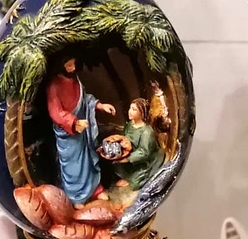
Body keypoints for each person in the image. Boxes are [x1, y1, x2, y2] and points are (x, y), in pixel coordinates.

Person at [46, 57, 115, 207]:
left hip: (83, 129)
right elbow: (55, 112)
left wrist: (100, 105)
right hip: (68, 134)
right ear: (61, 66)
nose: (73, 68)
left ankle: (95, 189)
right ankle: (76, 196)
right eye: (69, 65)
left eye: (74, 64)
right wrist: (74, 122)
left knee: (88, 159)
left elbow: (85, 100)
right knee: (74, 165)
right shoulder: (54, 86)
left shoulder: (75, 80)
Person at [113, 98, 164, 191]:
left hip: (145, 161)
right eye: (130, 108)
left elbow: (144, 152)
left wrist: (128, 159)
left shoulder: (146, 132)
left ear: (142, 113)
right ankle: (127, 175)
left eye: (134, 109)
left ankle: (130, 179)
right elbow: (124, 137)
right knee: (116, 165)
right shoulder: (129, 125)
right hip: (131, 154)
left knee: (136, 181)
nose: (130, 111)